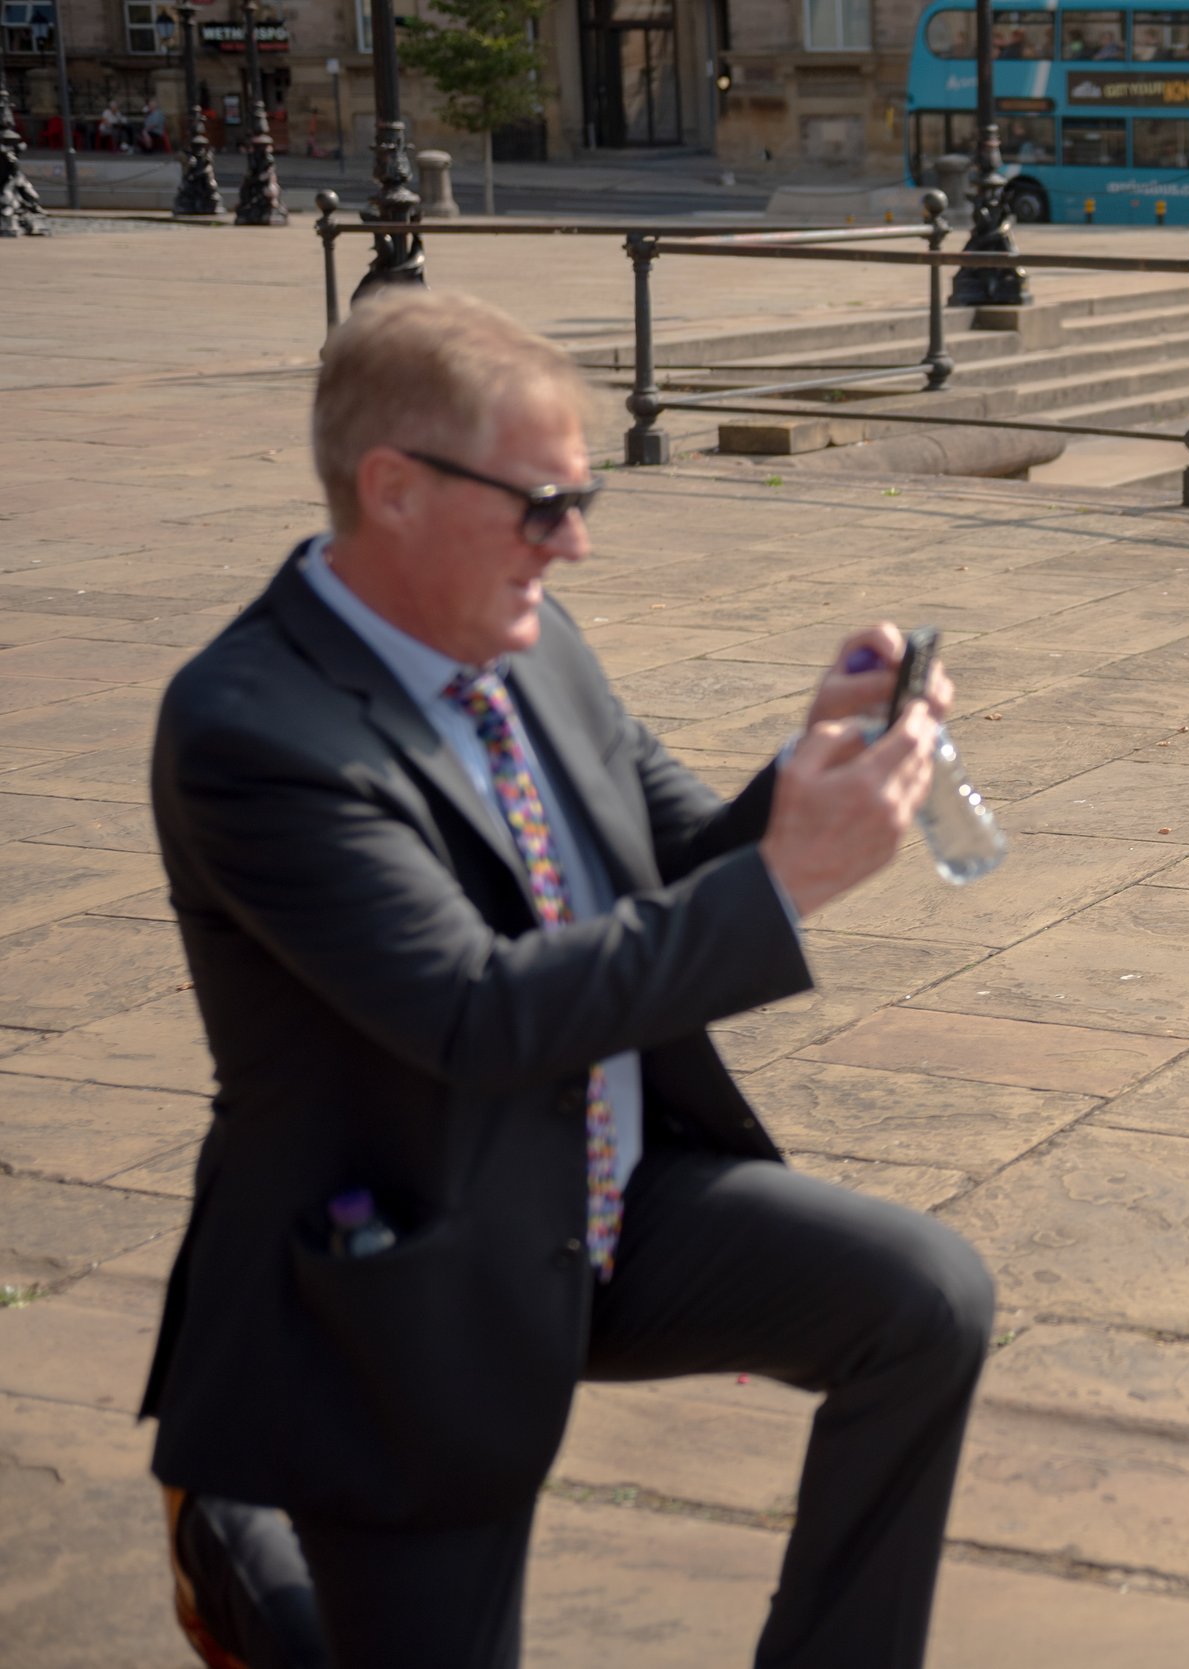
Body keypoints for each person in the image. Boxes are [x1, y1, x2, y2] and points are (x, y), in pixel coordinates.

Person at [140, 289, 995, 1669]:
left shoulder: (535, 644)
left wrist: (813, 761)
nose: (577, 541)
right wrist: (786, 884)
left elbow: (672, 866)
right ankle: (239, 1531)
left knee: (922, 1300)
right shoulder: (253, 729)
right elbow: (477, 1015)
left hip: (605, 1201)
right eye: (544, 504)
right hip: (406, 1265)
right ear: (395, 491)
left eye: (584, 497)